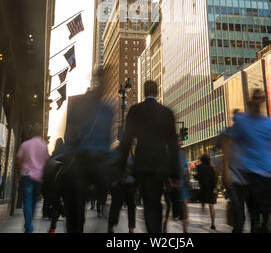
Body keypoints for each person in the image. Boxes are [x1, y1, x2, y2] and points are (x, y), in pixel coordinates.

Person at [119, 80, 180, 233]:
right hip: (161, 165)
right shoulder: (166, 112)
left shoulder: (135, 110)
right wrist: (175, 173)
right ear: (157, 91)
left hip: (143, 165)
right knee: (155, 201)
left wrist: (121, 167)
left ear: (144, 92)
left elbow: (126, 140)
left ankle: (154, 231)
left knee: (148, 202)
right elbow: (173, 145)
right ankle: (156, 231)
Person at [59, 70, 116, 233]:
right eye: (103, 81)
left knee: (115, 188)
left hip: (99, 161)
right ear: (97, 81)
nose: (105, 85)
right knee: (75, 207)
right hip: (81, 158)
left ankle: (106, 220)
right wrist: (70, 155)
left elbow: (108, 141)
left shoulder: (108, 109)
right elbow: (69, 133)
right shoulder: (80, 104)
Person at [222, 88, 271, 233]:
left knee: (265, 215)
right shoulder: (241, 122)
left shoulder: (268, 122)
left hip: (265, 174)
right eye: (256, 98)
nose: (259, 101)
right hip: (246, 175)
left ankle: (262, 226)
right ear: (251, 101)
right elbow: (227, 143)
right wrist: (226, 169)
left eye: (262, 98)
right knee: (248, 216)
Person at [16, 124, 49, 233]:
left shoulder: (25, 144)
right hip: (38, 178)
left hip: (26, 176)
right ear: (41, 133)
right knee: (33, 203)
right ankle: (28, 225)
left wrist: (19, 172)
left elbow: (18, 159)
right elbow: (46, 162)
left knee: (27, 202)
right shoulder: (44, 146)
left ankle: (28, 226)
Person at [108, 153, 136, 233]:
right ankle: (111, 225)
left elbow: (136, 170)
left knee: (131, 206)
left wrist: (136, 183)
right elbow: (112, 169)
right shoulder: (117, 155)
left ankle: (131, 228)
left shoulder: (133, 157)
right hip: (119, 185)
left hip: (130, 185)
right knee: (116, 206)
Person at [196, 154, 218, 230]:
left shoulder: (199, 167)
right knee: (211, 206)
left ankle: (202, 220)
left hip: (203, 188)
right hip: (210, 189)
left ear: (202, 160)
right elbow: (215, 178)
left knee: (202, 204)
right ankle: (213, 224)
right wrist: (214, 187)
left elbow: (198, 177)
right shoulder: (212, 168)